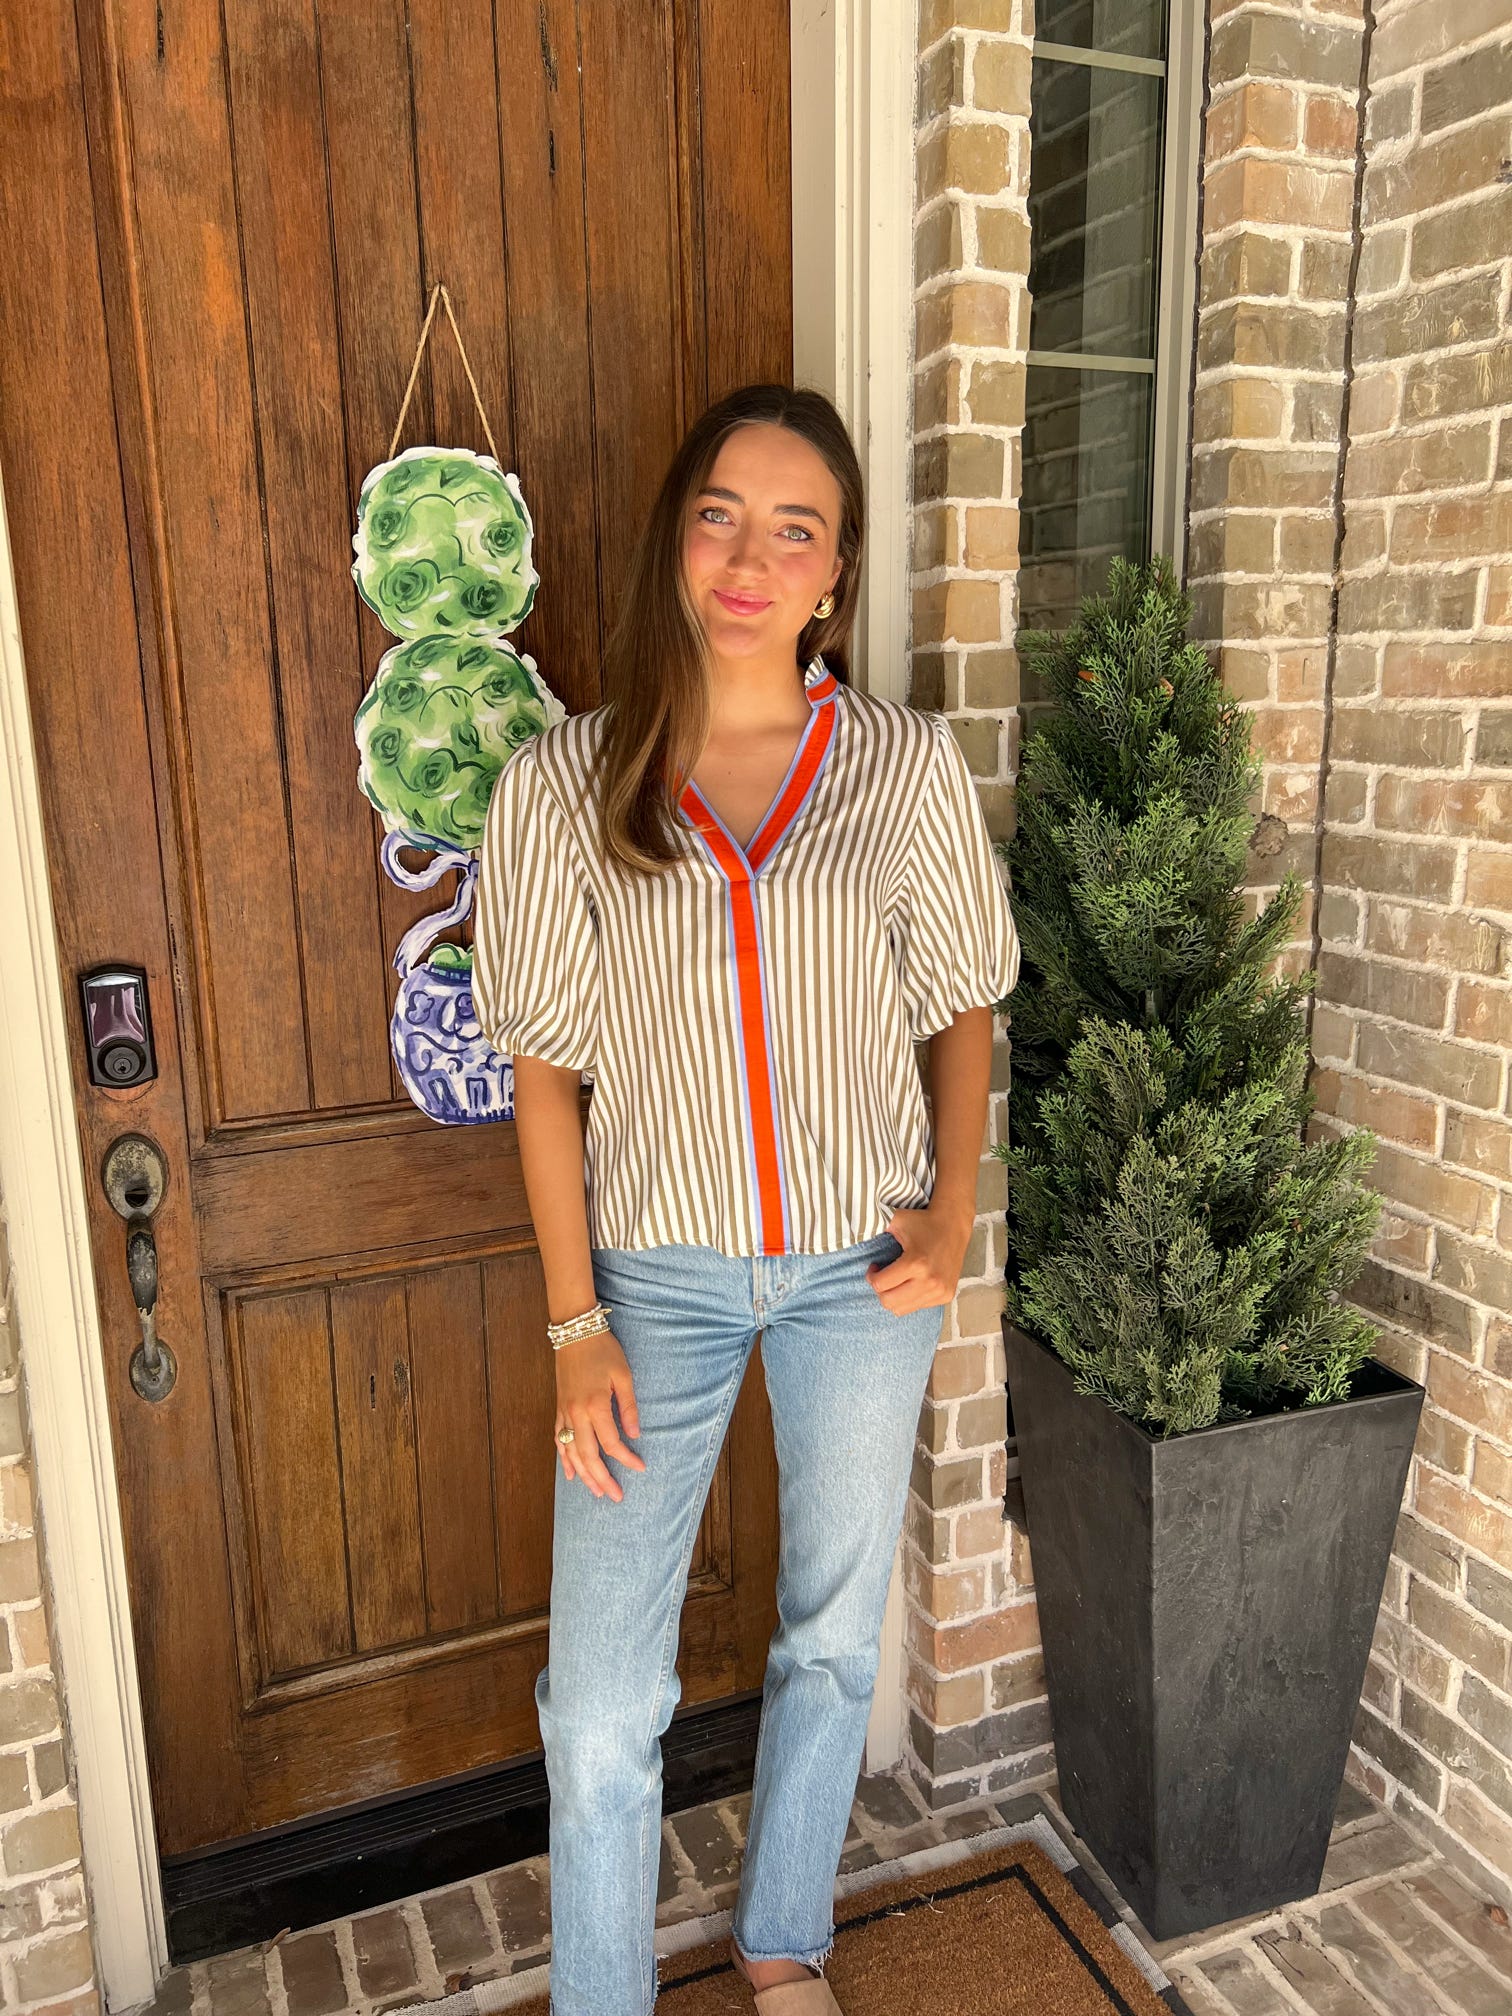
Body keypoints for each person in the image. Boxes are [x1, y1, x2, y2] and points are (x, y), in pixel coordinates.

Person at [472, 383, 1020, 2016]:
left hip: (863, 1272)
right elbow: (546, 1073)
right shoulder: (568, 785)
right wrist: (577, 1323)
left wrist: (952, 1207)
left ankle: (783, 1938)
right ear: (678, 534)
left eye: (797, 530)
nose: (751, 557)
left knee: (836, 1635)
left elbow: (964, 1002)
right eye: (723, 513)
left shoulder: (902, 770)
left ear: (835, 578)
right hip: (654, 1281)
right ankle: (603, 1999)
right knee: (600, 1701)